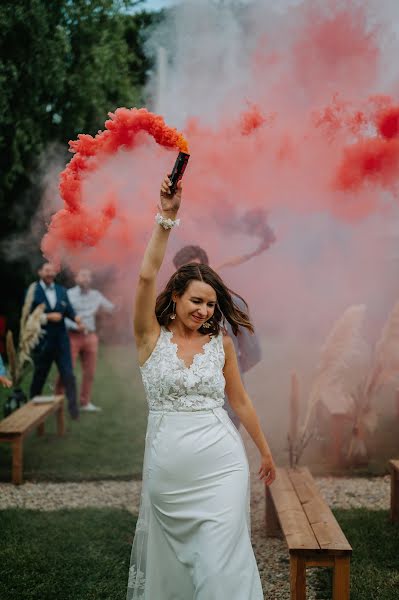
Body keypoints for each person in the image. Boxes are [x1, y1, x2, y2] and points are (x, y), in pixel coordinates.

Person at [127, 175, 275, 600]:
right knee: (177, 572)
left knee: (220, 566)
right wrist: (167, 218)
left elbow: (240, 401)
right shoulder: (149, 339)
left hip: (223, 466)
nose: (204, 310)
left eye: (211, 304)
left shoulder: (221, 344)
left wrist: (263, 451)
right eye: (196, 301)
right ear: (174, 296)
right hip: (169, 475)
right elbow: (143, 277)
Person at [173, 245, 262, 429]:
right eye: (185, 273)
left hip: (227, 405)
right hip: (190, 409)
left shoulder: (233, 306)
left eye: (195, 270)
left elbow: (253, 354)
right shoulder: (174, 310)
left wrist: (229, 371)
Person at [29, 262, 82, 419]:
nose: (50, 273)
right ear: (40, 272)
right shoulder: (33, 291)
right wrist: (47, 317)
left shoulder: (61, 290)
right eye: (46, 270)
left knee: (68, 374)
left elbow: (69, 310)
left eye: (52, 271)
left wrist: (76, 318)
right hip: (42, 341)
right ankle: (31, 407)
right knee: (40, 375)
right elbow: (28, 316)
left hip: (61, 341)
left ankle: (73, 410)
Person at [58, 268, 115, 412]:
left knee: (90, 372)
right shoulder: (68, 294)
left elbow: (111, 308)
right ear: (76, 278)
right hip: (72, 336)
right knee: (66, 370)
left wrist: (122, 300)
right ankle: (56, 401)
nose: (86, 279)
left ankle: (85, 402)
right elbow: (61, 316)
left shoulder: (96, 295)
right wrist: (75, 324)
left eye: (88, 276)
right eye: (83, 275)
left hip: (90, 336)